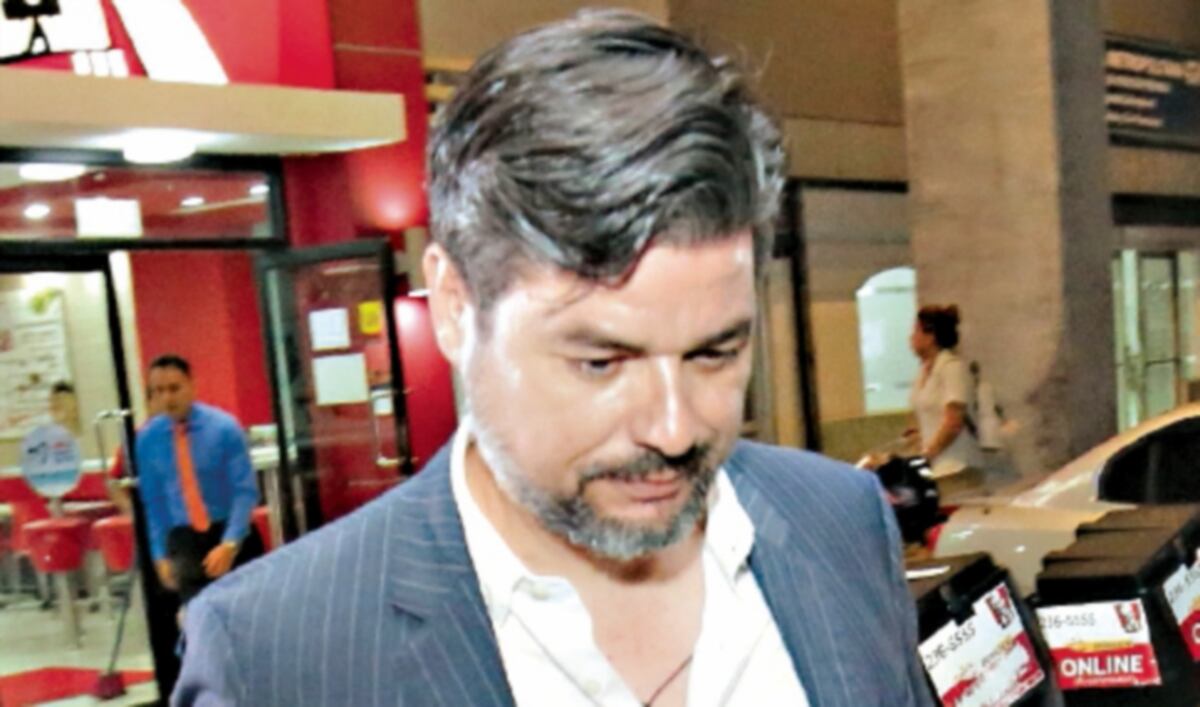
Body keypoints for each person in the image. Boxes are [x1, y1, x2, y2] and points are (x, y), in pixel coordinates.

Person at [173, 13, 932, 706]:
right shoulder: (272, 658)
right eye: (602, 362)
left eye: (715, 352)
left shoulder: (842, 522)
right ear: (455, 305)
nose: (674, 429)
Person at [136, 354, 262, 604]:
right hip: (185, 539)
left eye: (174, 388)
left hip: (229, 531)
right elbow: (154, 502)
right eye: (158, 391)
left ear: (192, 385)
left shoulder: (224, 429)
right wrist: (159, 554)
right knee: (198, 615)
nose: (167, 398)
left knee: (244, 610)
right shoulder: (148, 439)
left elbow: (244, 492)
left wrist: (230, 543)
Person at [908, 305, 986, 498]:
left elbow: (954, 421)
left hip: (957, 468)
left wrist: (928, 454)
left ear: (930, 337)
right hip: (937, 470)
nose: (911, 338)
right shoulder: (924, 371)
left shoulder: (952, 368)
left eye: (916, 331)